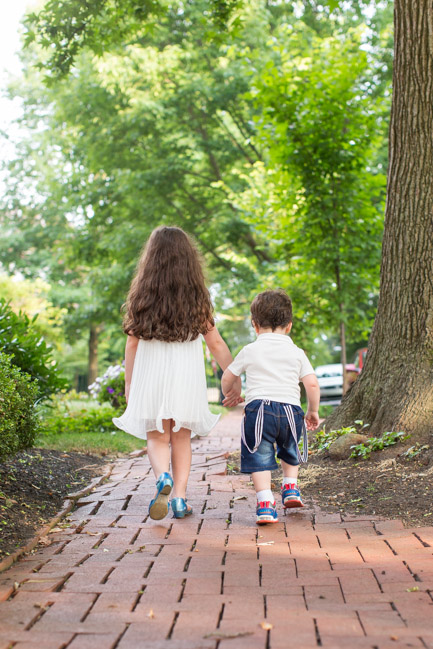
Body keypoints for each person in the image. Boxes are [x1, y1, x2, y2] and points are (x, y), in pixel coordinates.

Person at [113, 226, 242, 520]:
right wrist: (233, 377)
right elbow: (216, 343)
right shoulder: (198, 299)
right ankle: (181, 500)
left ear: (151, 259)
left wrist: (129, 382)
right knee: (181, 438)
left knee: (157, 437)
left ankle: (163, 479)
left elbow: (132, 344)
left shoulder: (142, 297)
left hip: (152, 375)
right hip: (185, 377)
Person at [221, 289, 320, 525]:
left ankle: (265, 503)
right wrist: (312, 411)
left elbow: (228, 376)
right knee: (290, 448)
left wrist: (231, 393)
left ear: (255, 325)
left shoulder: (250, 350)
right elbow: (312, 383)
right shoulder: (297, 353)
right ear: (289, 325)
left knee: (259, 454)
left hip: (259, 411)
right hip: (290, 409)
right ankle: (291, 488)